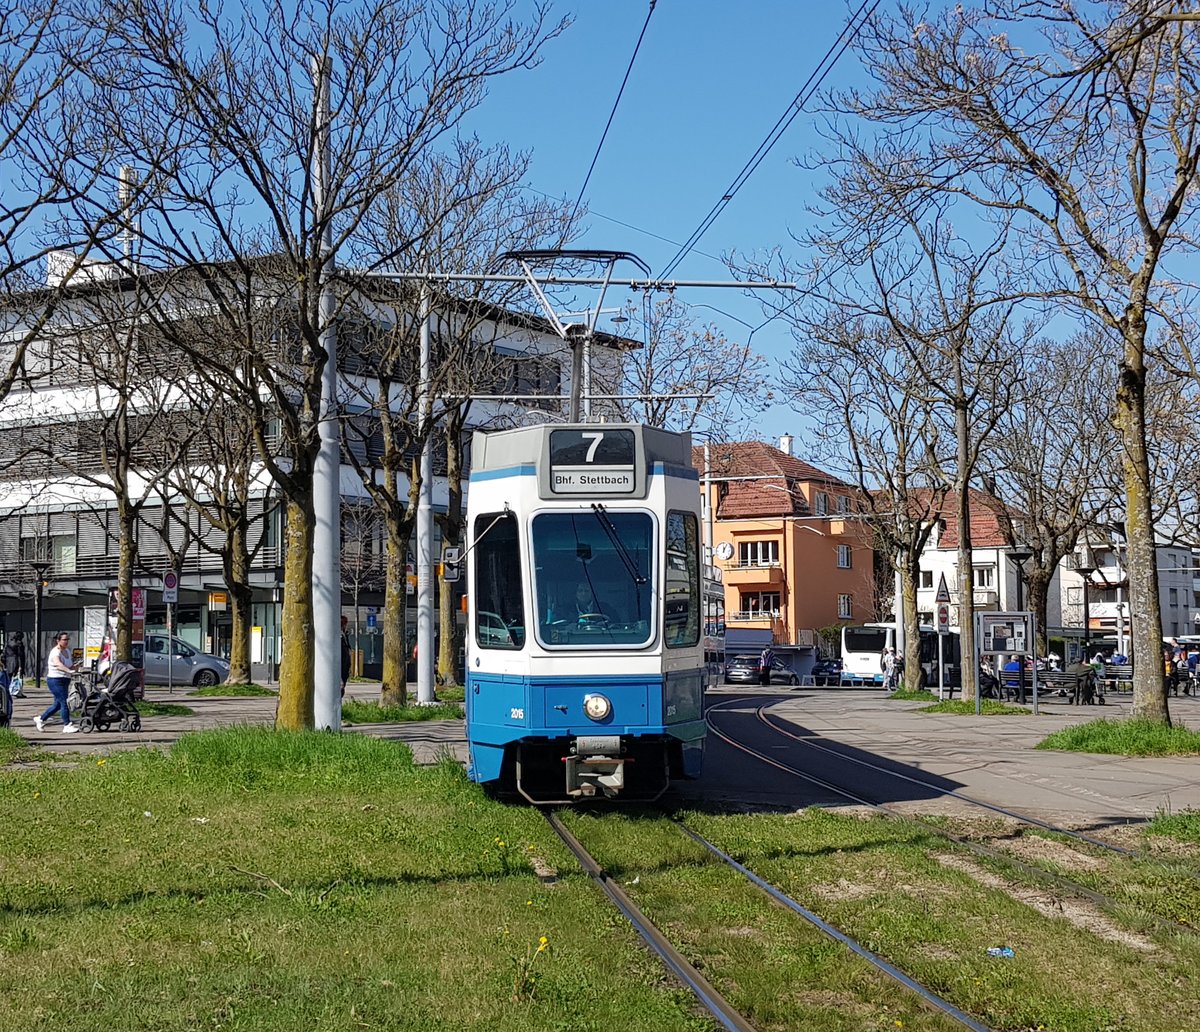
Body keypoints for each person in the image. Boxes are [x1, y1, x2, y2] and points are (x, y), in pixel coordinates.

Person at [35, 632, 78, 733]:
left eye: (67, 640)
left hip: (65, 679)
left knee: (58, 704)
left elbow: (69, 666)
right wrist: (69, 671)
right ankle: (67, 725)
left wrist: (75, 667)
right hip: (55, 680)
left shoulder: (67, 651)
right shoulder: (55, 652)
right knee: (64, 702)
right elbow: (58, 664)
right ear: (58, 641)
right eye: (64, 640)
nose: (66, 642)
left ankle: (41, 719)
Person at [2, 631, 25, 696]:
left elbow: (4, 654)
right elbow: (20, 656)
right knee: (19, 678)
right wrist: (21, 666)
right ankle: (18, 692)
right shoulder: (19, 644)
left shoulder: (9, 643)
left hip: (9, 663)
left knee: (9, 678)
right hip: (16, 662)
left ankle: (8, 691)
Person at [340, 616, 351, 697]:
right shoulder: (339, 635)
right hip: (342, 662)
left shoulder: (345, 634)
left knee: (344, 678)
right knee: (342, 682)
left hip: (345, 662)